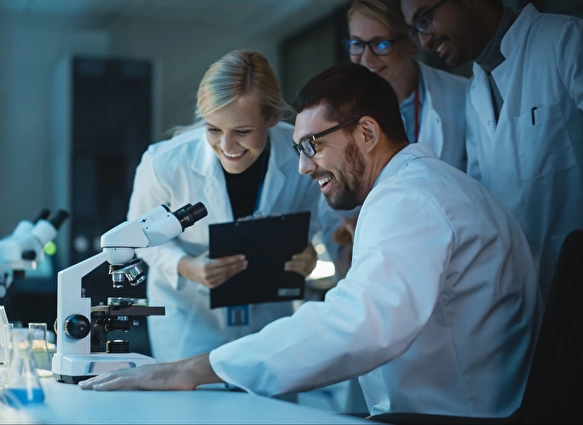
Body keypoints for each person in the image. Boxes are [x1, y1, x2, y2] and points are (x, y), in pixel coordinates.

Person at [80, 63, 542, 418]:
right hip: (462, 403)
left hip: (455, 414)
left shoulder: (409, 200)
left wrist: (199, 367)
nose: (303, 166)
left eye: (312, 146)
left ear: (366, 132)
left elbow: (360, 324)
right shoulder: (431, 186)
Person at [126, 50, 321, 363]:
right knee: (196, 407)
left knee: (270, 406)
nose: (227, 147)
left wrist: (306, 250)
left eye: (242, 131)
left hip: (268, 314)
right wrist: (186, 267)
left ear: (271, 118)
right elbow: (139, 237)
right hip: (190, 316)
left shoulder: (301, 153)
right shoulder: (164, 163)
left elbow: (311, 218)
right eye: (213, 129)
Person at [400, 0, 583, 302]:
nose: (425, 40)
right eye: (416, 30)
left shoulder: (567, 41)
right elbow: (484, 203)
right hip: (529, 295)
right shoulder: (476, 91)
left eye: (426, 19)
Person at [321, 0, 470, 283]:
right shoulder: (339, 113)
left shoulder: (460, 98)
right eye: (356, 43)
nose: (365, 58)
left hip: (453, 254)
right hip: (378, 258)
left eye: (380, 44)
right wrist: (346, 247)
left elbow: (477, 183)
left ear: (413, 42)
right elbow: (330, 200)